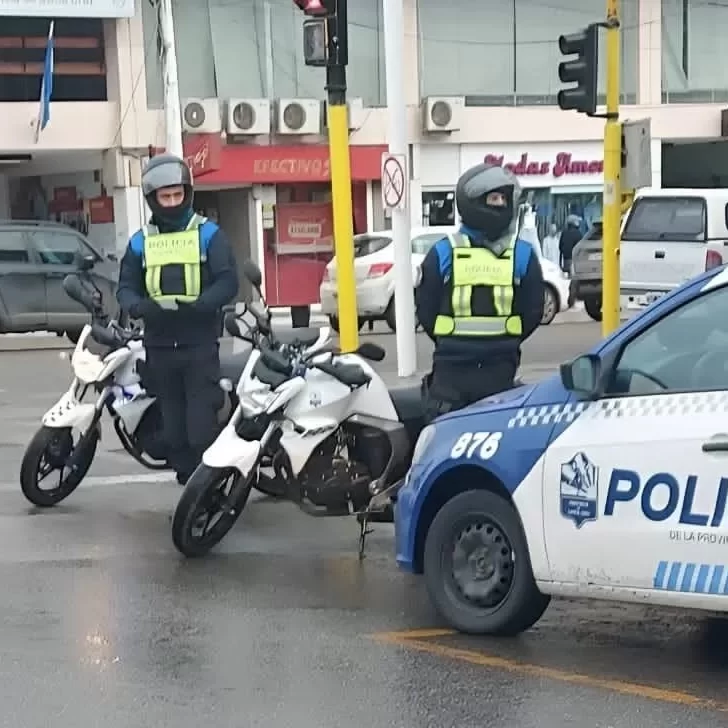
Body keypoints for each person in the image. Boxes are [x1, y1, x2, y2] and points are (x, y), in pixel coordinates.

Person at [116, 153, 239, 484]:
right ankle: (190, 489)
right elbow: (125, 286)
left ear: (188, 193)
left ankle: (210, 488)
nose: (171, 203)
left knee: (200, 428)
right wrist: (140, 307)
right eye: (164, 197)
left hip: (198, 343)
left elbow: (228, 281)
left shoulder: (209, 234)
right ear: (152, 199)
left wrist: (200, 306)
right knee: (173, 431)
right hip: (158, 345)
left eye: (177, 195)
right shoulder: (140, 241)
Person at [415, 163, 544, 422]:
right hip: (451, 379)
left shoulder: (522, 255)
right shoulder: (443, 253)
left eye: (504, 199)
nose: (501, 204)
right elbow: (425, 309)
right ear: (472, 201)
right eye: (494, 198)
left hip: (499, 374)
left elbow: (533, 311)